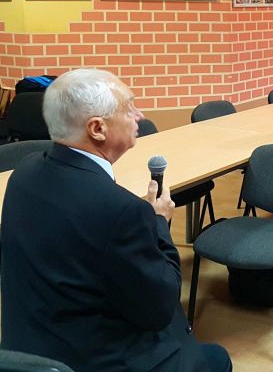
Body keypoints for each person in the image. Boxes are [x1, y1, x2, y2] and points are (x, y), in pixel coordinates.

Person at [0, 69, 231, 372]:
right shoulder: (122, 210)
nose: (139, 115)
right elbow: (160, 307)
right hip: (97, 360)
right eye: (128, 107)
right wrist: (158, 221)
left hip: (29, 349)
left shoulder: (24, 172)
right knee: (216, 358)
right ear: (97, 128)